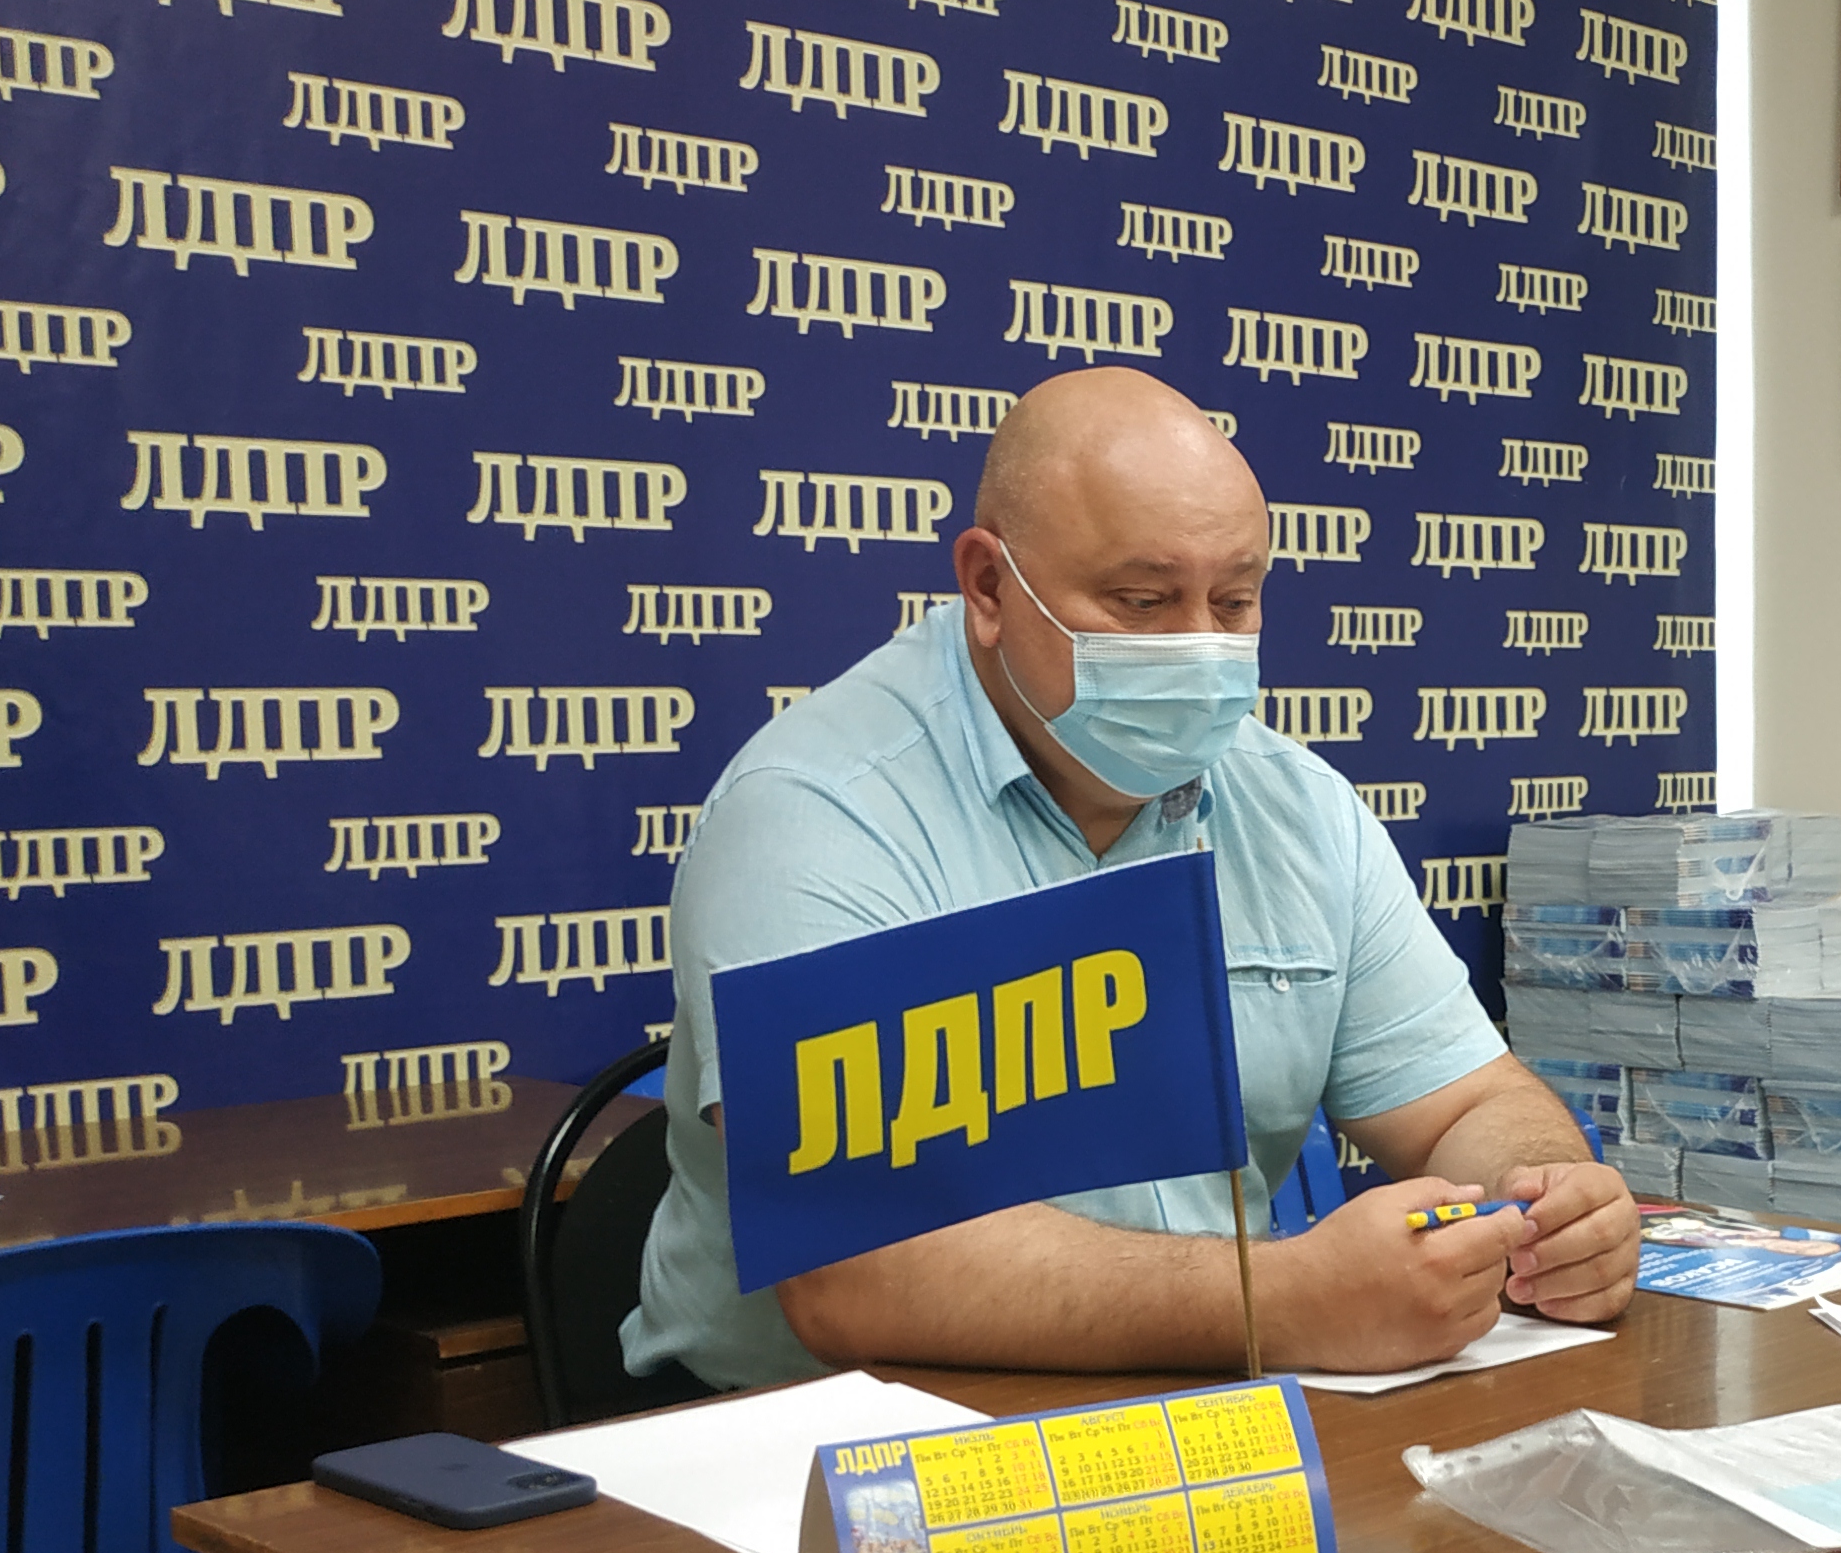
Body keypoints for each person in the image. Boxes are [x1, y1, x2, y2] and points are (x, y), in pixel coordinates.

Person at [628, 369, 1637, 1390]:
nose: (1199, 646)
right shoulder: (815, 812)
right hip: (831, 1441)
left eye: (1234, 601)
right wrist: (1283, 1300)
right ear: (988, 587)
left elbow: (1464, 1102)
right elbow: (855, 1277)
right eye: (1143, 601)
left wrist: (1545, 1199)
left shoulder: (1296, 806)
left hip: (1213, 1404)